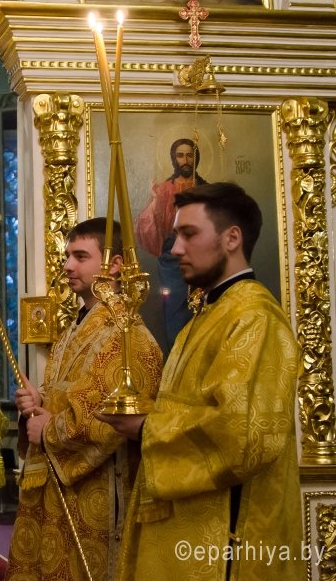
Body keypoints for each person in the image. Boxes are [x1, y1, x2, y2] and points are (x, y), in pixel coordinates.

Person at [100, 183, 303, 580]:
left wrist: (145, 429)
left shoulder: (254, 318)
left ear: (232, 238)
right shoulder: (209, 315)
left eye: (189, 234)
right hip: (186, 531)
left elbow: (243, 436)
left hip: (223, 545)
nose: (176, 249)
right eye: (176, 236)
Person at [7, 218, 162, 581]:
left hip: (99, 493)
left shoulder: (128, 336)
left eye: (80, 256)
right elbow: (70, 392)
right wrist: (38, 399)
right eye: (67, 256)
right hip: (59, 488)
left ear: (115, 265)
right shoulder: (74, 329)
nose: (67, 266)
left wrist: (49, 429)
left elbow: (112, 420)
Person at [135, 138, 207, 351]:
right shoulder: (164, 190)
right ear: (174, 159)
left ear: (196, 158)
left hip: (202, 257)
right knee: (174, 312)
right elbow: (147, 227)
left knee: (202, 311)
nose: (185, 160)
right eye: (180, 155)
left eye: (190, 155)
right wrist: (154, 202)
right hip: (171, 261)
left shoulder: (206, 189)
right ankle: (176, 355)